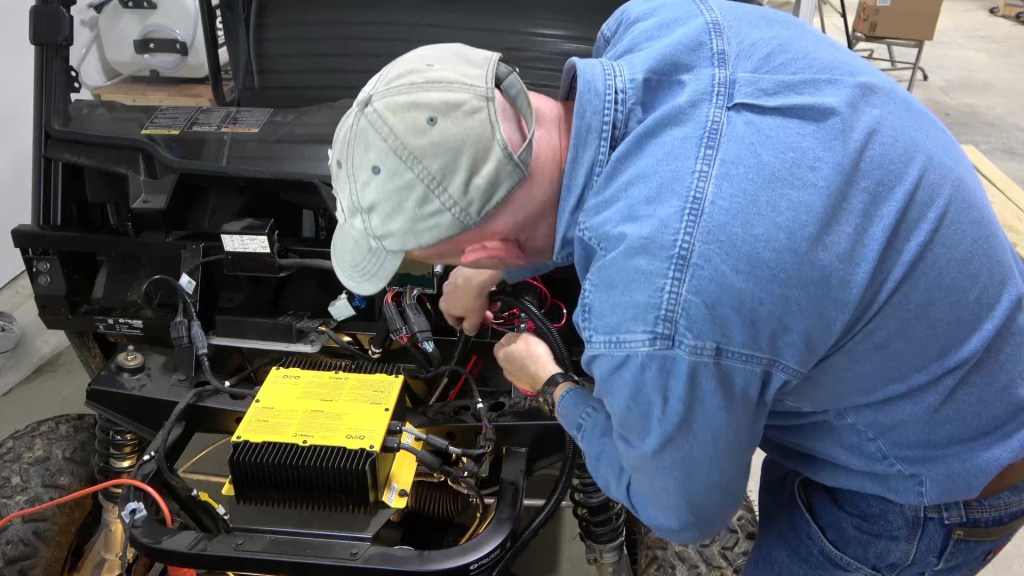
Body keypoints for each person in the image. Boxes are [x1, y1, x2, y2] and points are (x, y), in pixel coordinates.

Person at [325, 0, 1024, 573]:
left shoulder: (657, 305)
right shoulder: (661, 22)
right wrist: (499, 263)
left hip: (935, 478)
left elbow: (685, 513)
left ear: (490, 244)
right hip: (940, 330)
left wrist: (550, 384)